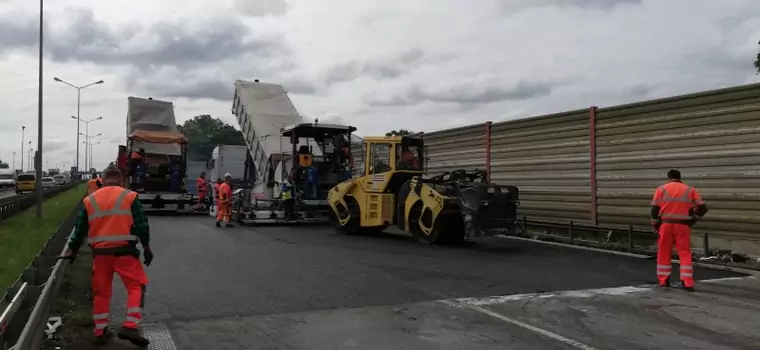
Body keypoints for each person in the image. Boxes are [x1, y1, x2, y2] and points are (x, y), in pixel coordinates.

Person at [58, 167, 152, 347]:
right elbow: (142, 224)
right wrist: (147, 247)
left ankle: (100, 331)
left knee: (101, 292)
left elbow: (79, 229)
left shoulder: (90, 200)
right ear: (121, 179)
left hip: (100, 255)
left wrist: (72, 250)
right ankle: (130, 326)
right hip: (125, 252)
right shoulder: (129, 196)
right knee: (136, 286)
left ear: (102, 179)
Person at [650, 169, 708, 292]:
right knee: (684, 253)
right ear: (680, 177)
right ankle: (687, 283)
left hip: (666, 225)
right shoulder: (690, 190)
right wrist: (693, 220)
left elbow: (654, 210)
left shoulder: (661, 189)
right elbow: (703, 207)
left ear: (669, 177)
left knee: (664, 252)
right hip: (683, 226)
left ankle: (663, 280)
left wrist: (655, 225)